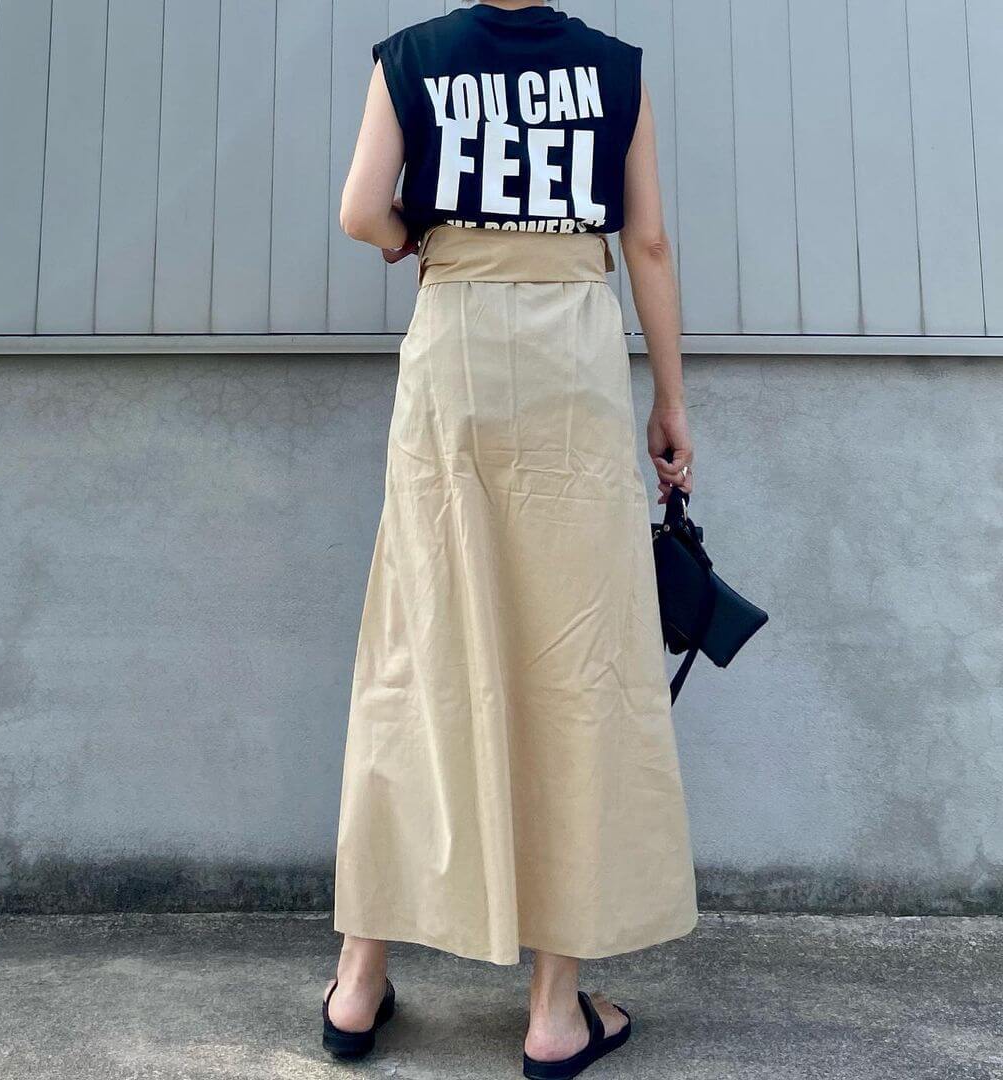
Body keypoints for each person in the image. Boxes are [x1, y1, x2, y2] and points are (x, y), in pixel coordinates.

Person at [323, 1, 696, 1076]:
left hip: (455, 353)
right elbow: (648, 242)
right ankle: (553, 1013)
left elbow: (359, 211)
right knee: (577, 665)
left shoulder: (414, 58)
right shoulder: (614, 67)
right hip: (572, 358)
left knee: (418, 647)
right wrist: (672, 402)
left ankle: (358, 984)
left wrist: (414, 238)